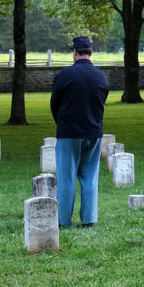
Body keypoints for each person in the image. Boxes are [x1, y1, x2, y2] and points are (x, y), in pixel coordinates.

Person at [50, 35, 109, 227]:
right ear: (91, 52)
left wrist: (62, 122)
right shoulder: (101, 77)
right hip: (93, 132)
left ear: (74, 52)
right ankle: (89, 219)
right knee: (90, 178)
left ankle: (63, 220)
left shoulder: (64, 76)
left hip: (68, 133)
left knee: (66, 179)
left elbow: (55, 104)